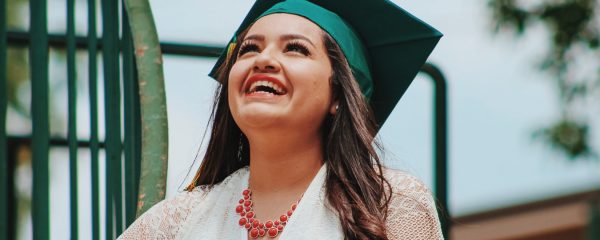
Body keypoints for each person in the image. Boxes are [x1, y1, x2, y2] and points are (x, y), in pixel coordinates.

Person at [119, 0, 443, 239]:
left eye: (295, 49)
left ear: (340, 95)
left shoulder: (390, 206)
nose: (264, 59)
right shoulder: (175, 224)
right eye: (248, 49)